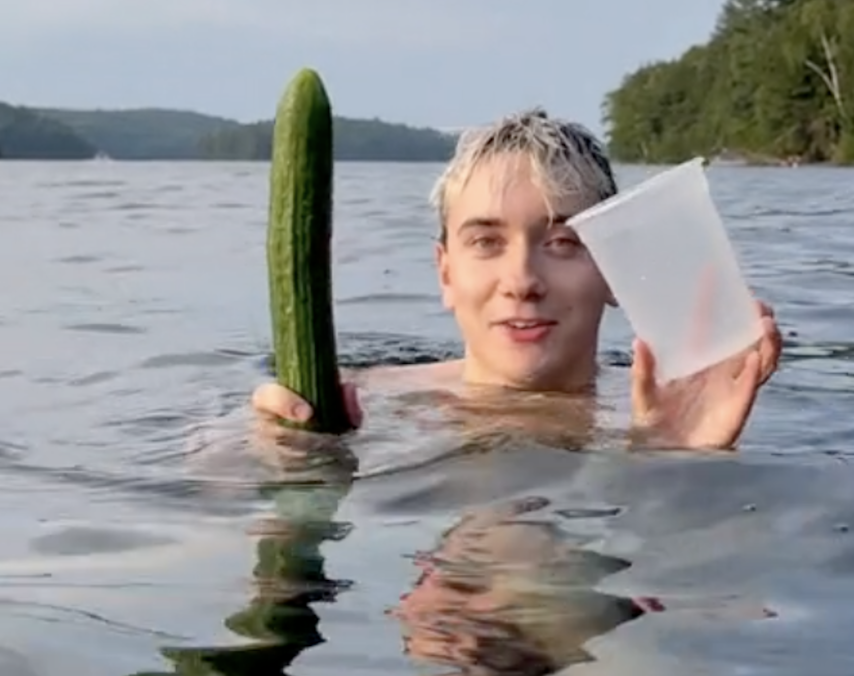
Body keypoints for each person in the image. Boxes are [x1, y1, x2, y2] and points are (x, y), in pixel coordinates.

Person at [250, 107, 782, 452]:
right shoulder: (364, 398)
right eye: (486, 242)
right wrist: (281, 450)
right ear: (446, 272)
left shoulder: (673, 407)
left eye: (562, 244)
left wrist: (676, 461)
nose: (522, 280)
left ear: (616, 270)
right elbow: (211, 488)